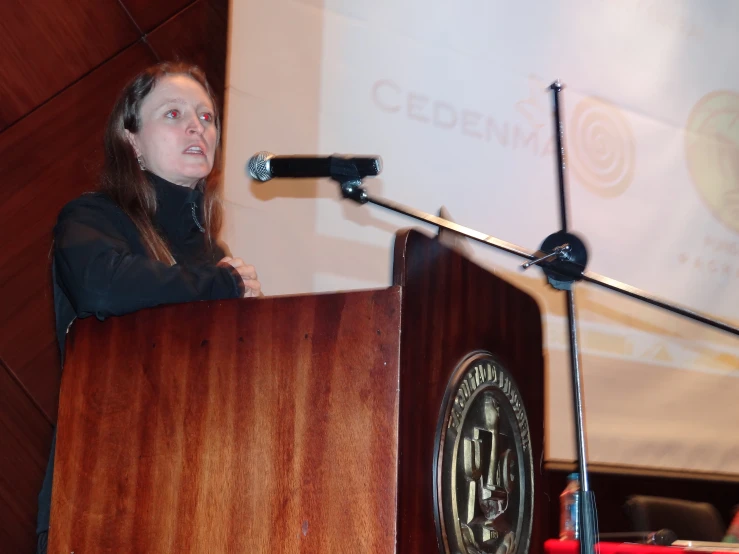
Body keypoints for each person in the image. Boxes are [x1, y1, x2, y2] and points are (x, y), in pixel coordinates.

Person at [36, 61, 261, 554]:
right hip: (102, 499)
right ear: (131, 139)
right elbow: (103, 289)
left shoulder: (215, 261)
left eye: (207, 117)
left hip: (201, 500)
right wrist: (220, 287)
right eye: (173, 113)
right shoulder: (93, 218)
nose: (196, 126)